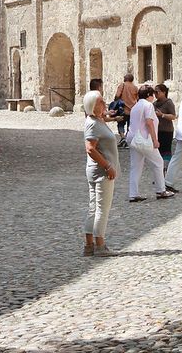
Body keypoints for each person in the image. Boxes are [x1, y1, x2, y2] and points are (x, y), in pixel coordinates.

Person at [83, 89, 119, 256]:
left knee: (94, 208)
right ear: (92, 106)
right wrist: (107, 166)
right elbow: (90, 149)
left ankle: (89, 245)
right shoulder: (93, 123)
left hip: (98, 170)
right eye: (101, 102)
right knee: (101, 209)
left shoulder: (97, 120)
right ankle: (100, 245)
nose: (104, 104)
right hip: (101, 171)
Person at [127, 83, 174, 202]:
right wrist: (154, 140)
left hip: (133, 138)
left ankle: (133, 193)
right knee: (158, 162)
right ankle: (161, 190)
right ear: (149, 95)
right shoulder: (148, 105)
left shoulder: (135, 106)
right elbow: (149, 122)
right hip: (144, 139)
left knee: (136, 166)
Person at [153, 83, 177, 169]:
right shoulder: (154, 104)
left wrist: (162, 115)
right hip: (157, 130)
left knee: (166, 150)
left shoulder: (168, 103)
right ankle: (159, 169)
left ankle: (166, 168)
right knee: (157, 151)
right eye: (154, 92)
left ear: (164, 92)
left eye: (157, 92)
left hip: (167, 131)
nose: (155, 94)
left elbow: (173, 116)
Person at [113, 71, 139, 146]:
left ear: (126, 78)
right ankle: (127, 139)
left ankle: (123, 137)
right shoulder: (135, 87)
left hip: (122, 109)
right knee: (129, 126)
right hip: (132, 110)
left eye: (124, 77)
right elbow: (138, 98)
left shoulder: (122, 85)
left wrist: (115, 102)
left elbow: (117, 95)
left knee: (120, 124)